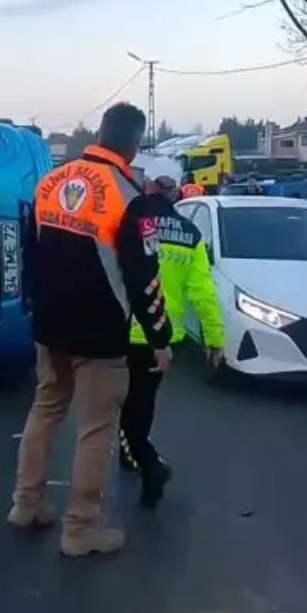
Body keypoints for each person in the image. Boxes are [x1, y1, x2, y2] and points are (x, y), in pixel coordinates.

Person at [10, 102, 173, 558]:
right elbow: (144, 274)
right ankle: (80, 529)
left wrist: (34, 308)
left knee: (45, 411)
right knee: (96, 427)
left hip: (49, 325)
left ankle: (26, 504)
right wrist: (160, 337)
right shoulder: (129, 196)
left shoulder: (50, 183)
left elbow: (30, 253)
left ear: (99, 132)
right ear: (135, 144)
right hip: (100, 334)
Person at [117, 156, 223, 508]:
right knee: (141, 403)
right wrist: (214, 338)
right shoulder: (191, 236)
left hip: (126, 329)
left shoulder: (131, 220)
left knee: (118, 403)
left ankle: (145, 463)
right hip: (163, 335)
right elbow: (204, 294)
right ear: (176, 191)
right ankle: (134, 454)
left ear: (148, 185)